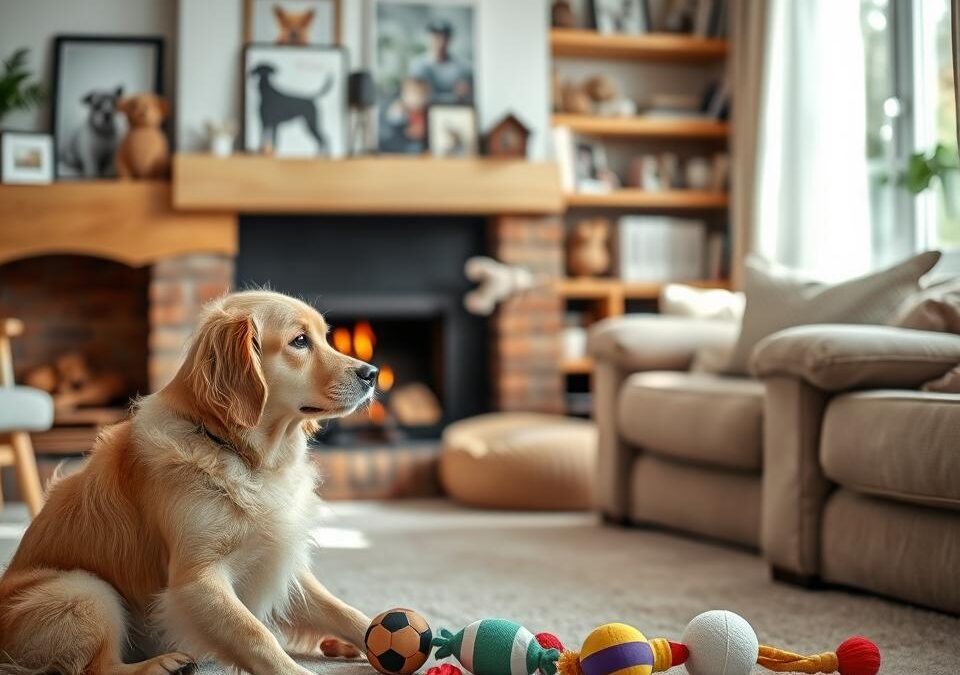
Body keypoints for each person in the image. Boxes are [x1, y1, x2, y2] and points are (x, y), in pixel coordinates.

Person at [409, 19, 473, 104]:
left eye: (444, 37)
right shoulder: (418, 64)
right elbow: (419, 96)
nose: (441, 42)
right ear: (429, 38)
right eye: (436, 36)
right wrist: (452, 95)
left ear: (450, 40)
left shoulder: (462, 66)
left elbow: (463, 94)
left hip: (454, 110)